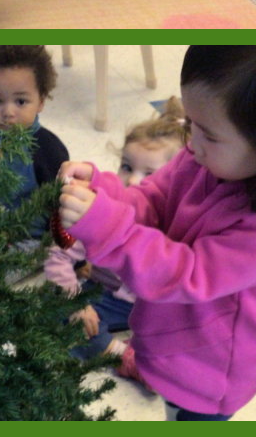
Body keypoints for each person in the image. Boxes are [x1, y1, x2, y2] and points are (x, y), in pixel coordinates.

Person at [59, 46, 256, 421]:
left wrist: (107, 226)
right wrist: (104, 192)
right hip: (168, 345)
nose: (191, 143)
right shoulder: (207, 157)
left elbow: (185, 275)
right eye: (191, 125)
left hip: (208, 377)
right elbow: (154, 200)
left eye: (209, 134)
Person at [45, 98, 187, 363]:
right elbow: (57, 255)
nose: (133, 180)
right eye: (127, 167)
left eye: (149, 173)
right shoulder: (104, 207)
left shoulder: (180, 218)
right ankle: (121, 355)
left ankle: (147, 356)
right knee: (55, 316)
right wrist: (76, 300)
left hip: (158, 309)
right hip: (109, 297)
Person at [0, 45, 69, 209]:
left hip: (29, 232)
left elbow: (59, 206)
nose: (8, 112)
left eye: (20, 102)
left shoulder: (49, 150)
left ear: (41, 101)